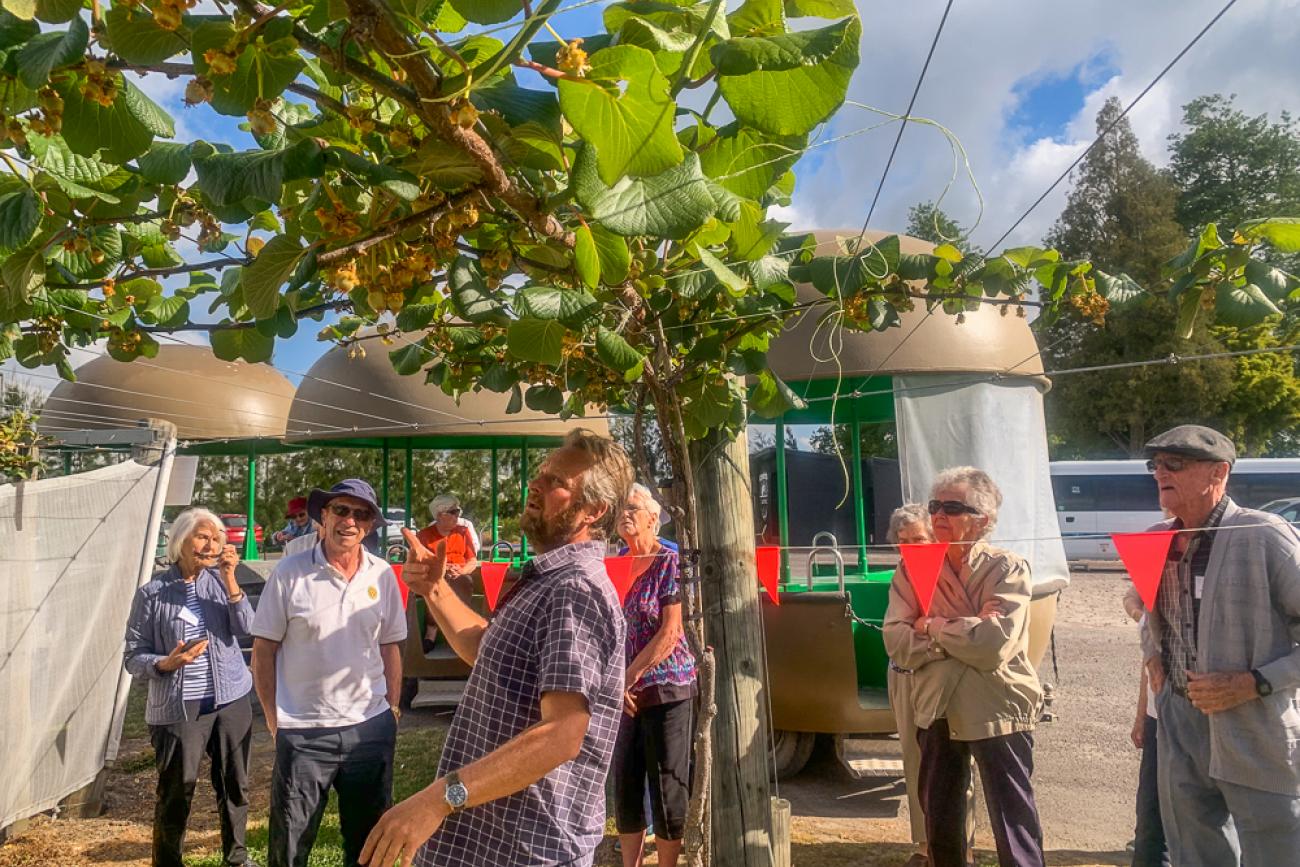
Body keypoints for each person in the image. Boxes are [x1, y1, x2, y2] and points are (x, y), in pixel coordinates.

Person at [361, 428, 632, 867]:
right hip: (494, 842)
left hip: (525, 850)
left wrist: (438, 799)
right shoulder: (550, 581)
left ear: (594, 511)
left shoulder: (575, 590)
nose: (536, 485)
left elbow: (562, 735)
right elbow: (485, 650)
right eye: (541, 475)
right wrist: (434, 589)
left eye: (557, 482)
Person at [1133, 425, 1300, 866]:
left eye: (1175, 464)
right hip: (1179, 721)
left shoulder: (1264, 534)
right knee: (1194, 851)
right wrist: (1152, 653)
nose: (1160, 473)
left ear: (1218, 473)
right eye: (1155, 466)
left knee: (1274, 851)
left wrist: (1256, 682)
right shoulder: (1156, 538)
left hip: (1254, 721)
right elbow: (1149, 615)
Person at [883, 467, 1045, 867]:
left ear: (983, 520)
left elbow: (993, 645)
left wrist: (931, 626)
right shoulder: (911, 569)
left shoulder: (1007, 568)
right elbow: (896, 642)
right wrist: (963, 632)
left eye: (953, 507)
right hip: (936, 706)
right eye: (935, 505)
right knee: (941, 824)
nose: (938, 515)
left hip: (997, 707)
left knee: (1014, 825)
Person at [251, 479, 408, 867]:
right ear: (323, 516)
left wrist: (392, 707)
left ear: (370, 525)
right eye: (341, 510)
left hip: (369, 727)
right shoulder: (289, 573)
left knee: (369, 845)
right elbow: (264, 650)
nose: (349, 521)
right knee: (289, 846)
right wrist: (275, 719)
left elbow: (390, 646)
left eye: (361, 514)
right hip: (303, 731)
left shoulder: (383, 574)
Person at [123, 508, 255, 867]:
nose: (210, 544)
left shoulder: (221, 581)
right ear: (181, 541)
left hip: (230, 701)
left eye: (217, 539)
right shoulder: (152, 594)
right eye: (202, 536)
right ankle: (167, 862)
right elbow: (133, 656)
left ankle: (237, 858)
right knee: (177, 790)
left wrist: (230, 579)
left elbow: (247, 627)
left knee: (234, 785)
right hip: (179, 708)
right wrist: (165, 663)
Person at [884, 503, 975, 867]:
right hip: (904, 678)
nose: (911, 547)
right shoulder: (902, 576)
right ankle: (925, 846)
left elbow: (967, 634)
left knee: (954, 767)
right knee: (915, 764)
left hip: (946, 683)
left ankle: (961, 847)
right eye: (903, 541)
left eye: (918, 538)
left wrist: (930, 634)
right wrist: (937, 641)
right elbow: (897, 642)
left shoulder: (953, 574)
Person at [611, 483, 697, 867]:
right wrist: (616, 681)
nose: (624, 514)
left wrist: (629, 676)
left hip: (667, 688)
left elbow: (670, 632)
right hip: (624, 693)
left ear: (652, 517)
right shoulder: (614, 563)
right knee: (626, 784)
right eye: (619, 509)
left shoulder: (669, 561)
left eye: (632, 507)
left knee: (665, 785)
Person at [417, 494, 481, 600]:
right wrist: (442, 569)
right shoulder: (424, 535)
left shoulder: (463, 532)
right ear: (439, 515)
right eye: (453, 512)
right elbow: (419, 563)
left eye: (458, 512)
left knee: (463, 581)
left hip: (460, 577)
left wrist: (461, 571)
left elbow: (472, 561)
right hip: (435, 578)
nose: (457, 516)